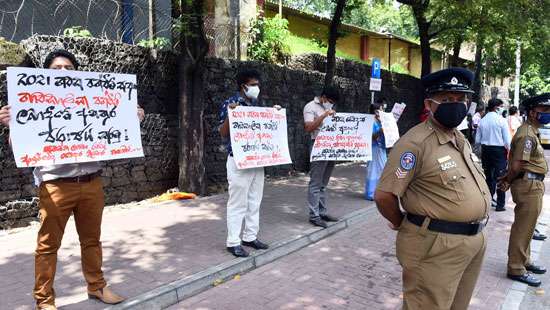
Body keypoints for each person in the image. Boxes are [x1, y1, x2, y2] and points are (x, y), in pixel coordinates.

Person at [0, 49, 144, 310]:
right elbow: (21, 149)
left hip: (92, 182)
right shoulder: (33, 102)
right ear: (46, 74)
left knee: (92, 240)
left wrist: (132, 120)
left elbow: (116, 132)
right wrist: (13, 125)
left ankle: (97, 287)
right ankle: (44, 300)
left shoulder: (92, 100)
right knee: (47, 245)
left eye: (68, 67)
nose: (63, 71)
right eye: (57, 68)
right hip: (55, 185)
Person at [374, 68, 490, 310]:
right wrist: (402, 223)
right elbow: (384, 195)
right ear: (429, 103)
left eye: (460, 100)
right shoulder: (415, 143)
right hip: (435, 247)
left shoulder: (459, 138)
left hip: (471, 242)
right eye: (447, 100)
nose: (456, 105)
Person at [219, 69, 278, 257]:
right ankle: (233, 242)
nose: (256, 88)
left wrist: (274, 115)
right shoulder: (230, 103)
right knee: (238, 202)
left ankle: (250, 236)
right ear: (243, 86)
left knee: (255, 200)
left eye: (257, 84)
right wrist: (231, 115)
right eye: (253, 85)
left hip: (256, 160)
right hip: (238, 160)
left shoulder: (256, 105)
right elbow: (222, 132)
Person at [498, 93, 550, 287]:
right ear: (532, 112)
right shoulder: (527, 134)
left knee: (528, 226)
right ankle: (516, 267)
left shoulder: (531, 131)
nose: (547, 114)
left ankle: (524, 260)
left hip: (532, 184)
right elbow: (518, 164)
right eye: (544, 111)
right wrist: (508, 181)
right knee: (523, 227)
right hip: (527, 185)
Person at [303, 86, 341, 228]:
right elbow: (308, 128)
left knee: (323, 183)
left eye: (333, 103)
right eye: (330, 101)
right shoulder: (310, 107)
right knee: (315, 183)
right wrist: (324, 115)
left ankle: (322, 212)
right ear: (323, 97)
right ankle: (314, 215)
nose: (331, 104)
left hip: (331, 147)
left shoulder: (330, 108)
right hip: (318, 146)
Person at [475, 98, 511, 211]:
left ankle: (488, 201)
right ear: (496, 108)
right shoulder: (501, 120)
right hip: (499, 151)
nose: (502, 109)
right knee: (500, 177)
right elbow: (507, 141)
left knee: (488, 177)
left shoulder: (482, 120)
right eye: (501, 106)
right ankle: (500, 205)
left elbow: (477, 140)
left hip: (486, 150)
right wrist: (510, 153)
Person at [365, 101, 387, 201]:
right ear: (375, 111)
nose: (382, 111)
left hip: (381, 148)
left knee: (383, 168)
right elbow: (370, 136)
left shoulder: (381, 120)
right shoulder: (370, 121)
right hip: (373, 148)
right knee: (372, 169)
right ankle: (370, 193)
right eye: (380, 110)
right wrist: (380, 130)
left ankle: (380, 192)